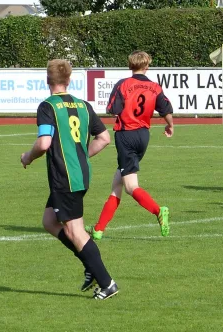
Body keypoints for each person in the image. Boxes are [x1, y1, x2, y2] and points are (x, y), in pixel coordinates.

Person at [20, 59, 118, 300]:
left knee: (75, 231)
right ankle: (89, 266)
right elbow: (104, 138)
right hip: (80, 173)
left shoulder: (48, 106)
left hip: (65, 177)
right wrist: (82, 155)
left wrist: (27, 157)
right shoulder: (83, 105)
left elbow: (44, 143)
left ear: (47, 80)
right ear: (69, 80)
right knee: (49, 221)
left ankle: (107, 283)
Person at [86, 51, 173, 241]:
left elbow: (112, 109)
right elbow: (166, 109)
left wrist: (123, 110)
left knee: (130, 186)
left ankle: (159, 211)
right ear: (147, 66)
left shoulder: (123, 84)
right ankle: (99, 229)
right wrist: (170, 125)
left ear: (129, 66)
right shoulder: (154, 87)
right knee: (117, 182)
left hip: (126, 135)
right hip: (143, 136)